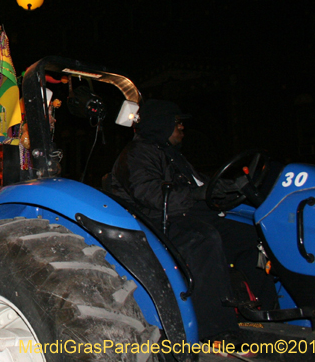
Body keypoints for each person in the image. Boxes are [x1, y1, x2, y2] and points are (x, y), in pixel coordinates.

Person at [108, 99, 276, 342]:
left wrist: (228, 187)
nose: (181, 128)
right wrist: (201, 194)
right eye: (177, 123)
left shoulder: (171, 155)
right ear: (161, 124)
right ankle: (215, 331)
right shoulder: (137, 154)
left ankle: (269, 313)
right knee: (202, 239)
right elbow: (153, 196)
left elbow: (200, 184)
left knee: (252, 235)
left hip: (185, 214)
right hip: (157, 224)